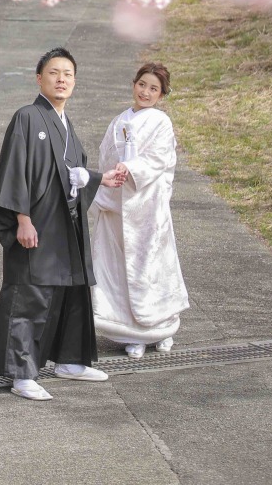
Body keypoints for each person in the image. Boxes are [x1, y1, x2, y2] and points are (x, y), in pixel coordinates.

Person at [0, 47, 127, 400]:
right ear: (39, 78)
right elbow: (16, 169)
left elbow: (69, 174)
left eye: (68, 74)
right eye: (53, 72)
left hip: (67, 224)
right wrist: (22, 218)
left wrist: (94, 178)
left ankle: (69, 360)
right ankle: (21, 373)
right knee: (30, 294)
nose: (61, 79)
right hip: (37, 222)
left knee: (71, 291)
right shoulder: (28, 117)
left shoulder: (66, 124)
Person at [91, 61, 189, 359]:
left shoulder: (160, 123)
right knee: (117, 268)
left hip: (147, 210)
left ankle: (160, 328)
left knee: (151, 268)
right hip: (118, 204)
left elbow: (158, 160)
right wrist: (109, 178)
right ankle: (129, 330)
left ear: (161, 94)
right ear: (134, 84)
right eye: (142, 84)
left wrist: (130, 168)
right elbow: (105, 156)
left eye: (154, 88)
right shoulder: (118, 120)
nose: (145, 92)